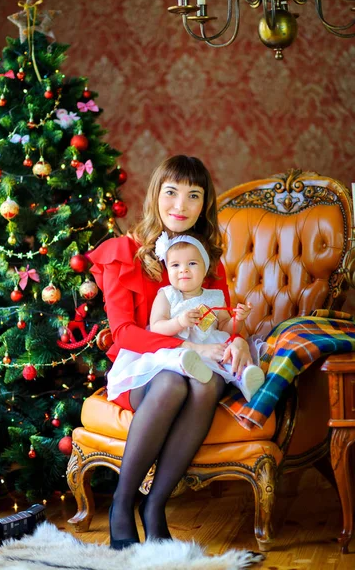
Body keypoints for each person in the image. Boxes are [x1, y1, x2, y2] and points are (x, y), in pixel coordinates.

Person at [88, 155, 253, 549]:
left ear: (204, 205)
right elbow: (124, 333)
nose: (181, 205)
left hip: (197, 364)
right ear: (155, 195)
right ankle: (122, 503)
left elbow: (221, 321)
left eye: (193, 196)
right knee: (172, 384)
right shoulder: (121, 252)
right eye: (172, 192)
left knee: (205, 379)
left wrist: (240, 339)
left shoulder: (203, 258)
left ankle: (154, 505)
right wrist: (186, 345)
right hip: (141, 372)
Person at [108, 232, 266, 402]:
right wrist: (179, 322)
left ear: (204, 269)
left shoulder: (215, 297)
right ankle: (188, 366)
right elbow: (156, 326)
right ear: (168, 269)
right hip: (177, 346)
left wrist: (238, 319)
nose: (183, 269)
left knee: (227, 356)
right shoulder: (167, 295)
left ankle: (246, 380)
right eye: (175, 265)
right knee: (177, 357)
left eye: (192, 263)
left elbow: (224, 326)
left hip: (210, 345)